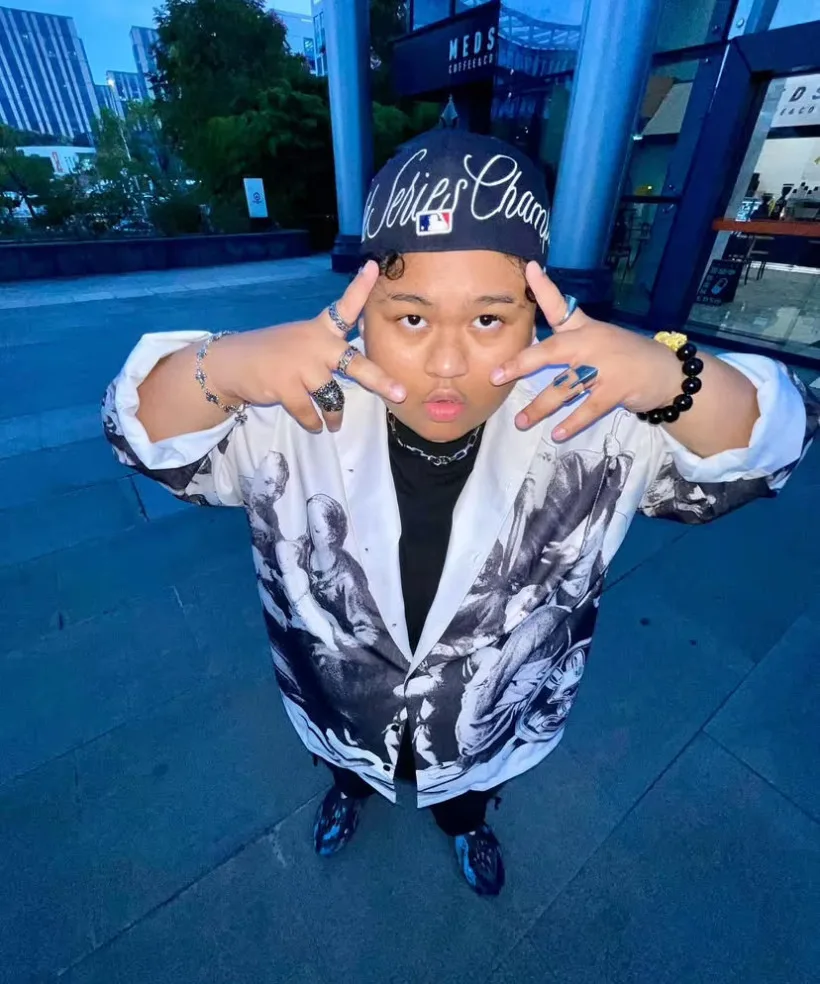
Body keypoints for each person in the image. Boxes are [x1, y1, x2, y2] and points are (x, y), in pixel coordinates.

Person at [102, 129, 818, 897]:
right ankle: (348, 790)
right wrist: (224, 365)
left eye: (488, 321)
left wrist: (668, 375)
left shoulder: (593, 422)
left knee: (467, 795)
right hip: (335, 702)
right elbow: (138, 434)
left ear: (534, 317)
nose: (447, 364)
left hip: (490, 727)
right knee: (347, 764)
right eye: (411, 319)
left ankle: (467, 824)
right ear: (365, 315)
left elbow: (772, 444)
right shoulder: (292, 414)